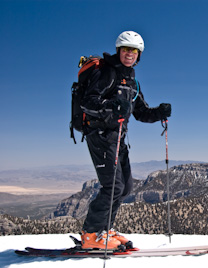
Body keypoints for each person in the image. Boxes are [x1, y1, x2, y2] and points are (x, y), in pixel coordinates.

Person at [80, 31, 171, 249]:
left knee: (125, 187)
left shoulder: (132, 82)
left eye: (134, 51)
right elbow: (88, 103)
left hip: (118, 138)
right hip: (101, 136)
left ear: (138, 55)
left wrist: (160, 112)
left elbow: (141, 113)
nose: (129, 54)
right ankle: (90, 235)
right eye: (125, 49)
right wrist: (111, 106)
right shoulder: (106, 73)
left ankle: (105, 230)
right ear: (119, 50)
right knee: (112, 186)